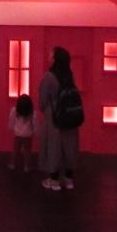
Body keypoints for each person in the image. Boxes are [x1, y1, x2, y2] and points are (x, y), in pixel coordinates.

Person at [39, 46, 80, 191]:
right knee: (70, 147)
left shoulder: (49, 77)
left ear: (55, 59)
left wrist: (45, 109)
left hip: (54, 117)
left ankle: (54, 180)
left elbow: (43, 100)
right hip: (71, 116)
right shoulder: (70, 75)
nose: (49, 57)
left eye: (51, 55)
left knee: (54, 147)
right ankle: (69, 180)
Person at [8, 94, 35, 172]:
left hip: (18, 133)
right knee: (27, 151)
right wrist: (35, 131)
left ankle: (12, 164)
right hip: (28, 134)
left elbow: (11, 121)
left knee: (15, 150)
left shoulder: (14, 110)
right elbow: (35, 123)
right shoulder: (32, 113)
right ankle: (26, 166)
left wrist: (11, 127)